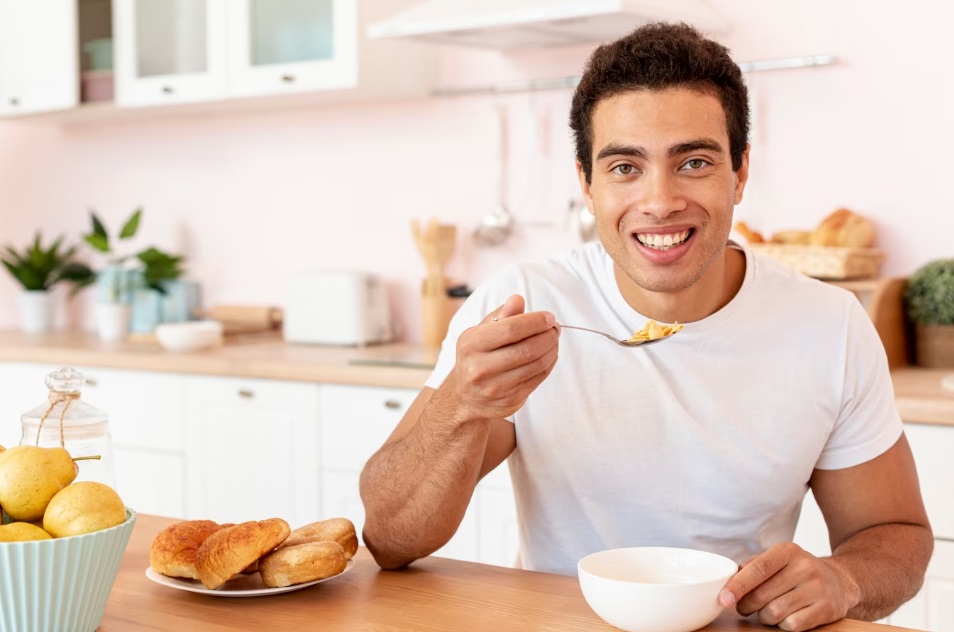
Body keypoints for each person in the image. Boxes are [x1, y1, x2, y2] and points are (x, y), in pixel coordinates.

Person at [359, 22, 932, 632]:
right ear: (587, 184)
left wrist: (842, 581)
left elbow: (894, 535)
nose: (660, 201)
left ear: (739, 173)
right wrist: (460, 407)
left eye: (693, 161)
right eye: (625, 167)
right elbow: (390, 540)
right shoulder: (519, 308)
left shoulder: (829, 326)